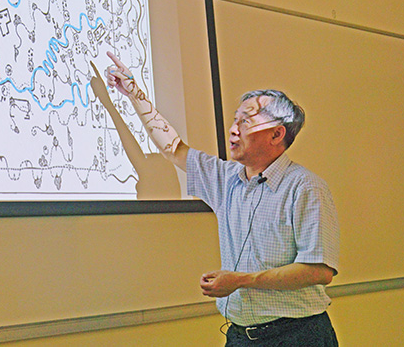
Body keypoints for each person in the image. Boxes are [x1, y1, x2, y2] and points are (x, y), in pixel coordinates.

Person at [104, 51, 340, 346]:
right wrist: (134, 94)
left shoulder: (305, 187)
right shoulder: (225, 178)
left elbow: (318, 271)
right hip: (241, 336)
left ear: (276, 134)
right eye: (235, 120)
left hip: (297, 336)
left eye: (246, 122)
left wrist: (241, 280)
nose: (233, 129)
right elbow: (172, 147)